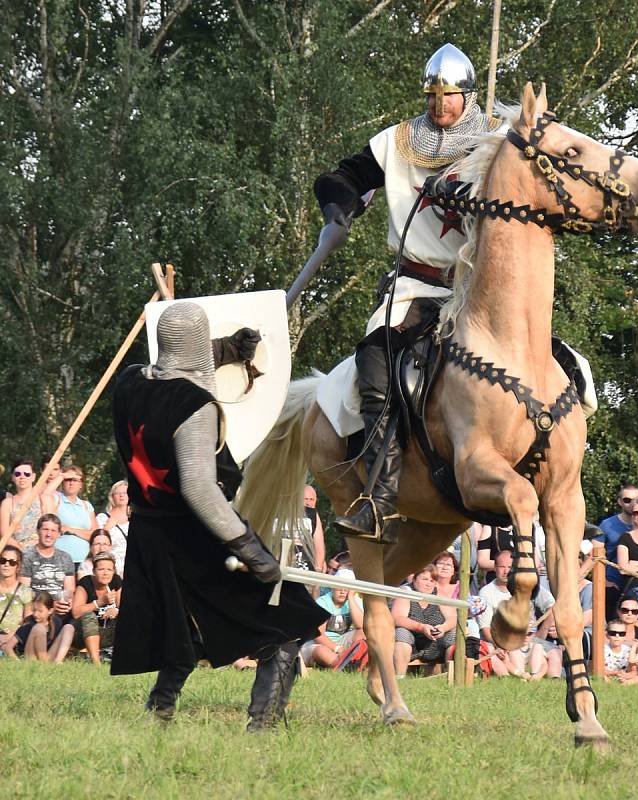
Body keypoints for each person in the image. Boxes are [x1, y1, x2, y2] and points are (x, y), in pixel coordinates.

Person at [314, 44, 503, 542]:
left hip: (480, 286)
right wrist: (339, 205)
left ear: (467, 94)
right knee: (376, 362)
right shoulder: (399, 142)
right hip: (416, 285)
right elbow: (346, 175)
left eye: (451, 96)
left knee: (553, 363)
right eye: (434, 96)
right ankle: (379, 495)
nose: (441, 105)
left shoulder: (495, 141)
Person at [110, 301, 328, 730]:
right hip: (199, 536)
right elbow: (200, 490)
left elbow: (173, 369)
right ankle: (261, 728)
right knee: (287, 617)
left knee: (184, 623)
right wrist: (252, 550)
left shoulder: (130, 383)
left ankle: (161, 709)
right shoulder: (195, 406)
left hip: (150, 535)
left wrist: (228, 349)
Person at [393, 565, 457, 676]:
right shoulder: (405, 592)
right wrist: (421, 627)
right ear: (414, 579)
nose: (428, 584)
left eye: (432, 580)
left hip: (436, 642)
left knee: (454, 634)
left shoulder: (439, 594)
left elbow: (452, 619)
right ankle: (400, 677)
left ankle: (451, 676)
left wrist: (442, 628)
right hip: (413, 642)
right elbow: (397, 618)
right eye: (424, 579)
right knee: (401, 633)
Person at [593, 484, 638, 620]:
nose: (632, 504)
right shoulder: (607, 525)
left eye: (636, 500)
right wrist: (603, 581)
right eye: (627, 500)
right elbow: (594, 555)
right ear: (619, 501)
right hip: (613, 583)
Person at [71, 551, 123, 665]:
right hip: (84, 634)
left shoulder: (116, 581)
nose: (105, 573)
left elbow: (125, 608)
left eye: (109, 570)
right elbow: (76, 612)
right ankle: (96, 662)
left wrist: (116, 610)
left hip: (107, 632)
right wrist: (99, 602)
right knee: (89, 616)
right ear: (94, 571)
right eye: (101, 569)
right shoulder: (85, 583)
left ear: (113, 571)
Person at [19, 514, 75, 620]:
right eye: (45, 529)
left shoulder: (66, 557)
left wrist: (67, 602)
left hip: (60, 612)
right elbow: (24, 592)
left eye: (53, 531)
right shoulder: (27, 556)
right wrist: (51, 605)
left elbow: (69, 590)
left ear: (59, 534)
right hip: (36, 611)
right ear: (38, 531)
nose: (49, 534)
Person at [300, 580, 364, 668]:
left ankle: (355, 661)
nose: (342, 592)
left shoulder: (354, 601)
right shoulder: (323, 602)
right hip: (316, 643)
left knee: (362, 633)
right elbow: (317, 635)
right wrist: (337, 648)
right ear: (332, 587)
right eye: (339, 588)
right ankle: (346, 665)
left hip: (340, 641)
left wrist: (351, 598)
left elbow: (361, 625)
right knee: (322, 652)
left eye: (347, 589)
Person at [0, 458, 55, 551]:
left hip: (42, 552)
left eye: (27, 474)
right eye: (17, 474)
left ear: (33, 477)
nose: (22, 477)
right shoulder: (7, 503)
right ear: (13, 477)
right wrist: (21, 551)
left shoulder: (45, 499)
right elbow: (4, 534)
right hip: (18, 554)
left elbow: (53, 528)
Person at [53, 465, 97, 567]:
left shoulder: (86, 505)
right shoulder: (56, 500)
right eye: (68, 480)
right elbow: (44, 494)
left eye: (75, 480)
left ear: (81, 484)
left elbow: (95, 535)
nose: (71, 483)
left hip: (85, 561)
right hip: (61, 561)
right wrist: (62, 476)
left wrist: (71, 530)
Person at [0, 545, 34, 657]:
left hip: (14, 640)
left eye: (12, 562)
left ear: (18, 567)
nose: (6, 564)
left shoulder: (25, 592)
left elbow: (28, 622)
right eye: (3, 560)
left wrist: (11, 637)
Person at [96, 480, 130, 576]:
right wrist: (107, 527)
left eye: (124, 493)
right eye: (118, 493)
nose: (121, 495)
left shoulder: (137, 517)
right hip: (111, 567)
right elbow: (96, 540)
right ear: (112, 496)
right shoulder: (103, 518)